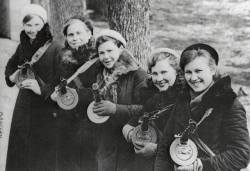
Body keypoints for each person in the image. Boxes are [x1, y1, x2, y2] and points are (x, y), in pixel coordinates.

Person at [154, 43, 250, 171]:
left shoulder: (229, 104)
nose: (193, 78)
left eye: (198, 71)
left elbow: (241, 155)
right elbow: (164, 148)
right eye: (188, 72)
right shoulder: (182, 100)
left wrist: (201, 166)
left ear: (212, 70)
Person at [4, 4, 62, 171]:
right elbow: (10, 66)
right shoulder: (22, 45)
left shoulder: (55, 48)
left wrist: (41, 89)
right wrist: (12, 76)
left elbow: (62, 81)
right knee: (20, 149)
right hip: (23, 106)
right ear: (23, 25)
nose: (32, 29)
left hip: (45, 107)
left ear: (44, 24)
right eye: (28, 25)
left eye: (37, 24)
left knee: (41, 154)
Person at [50, 15, 100, 171]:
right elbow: (52, 83)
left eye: (79, 33)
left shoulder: (99, 57)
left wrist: (74, 94)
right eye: (71, 35)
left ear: (90, 34)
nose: (75, 38)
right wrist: (51, 93)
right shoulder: (62, 57)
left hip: (90, 122)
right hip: (65, 122)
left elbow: (105, 89)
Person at [92, 29, 147, 171]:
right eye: (101, 53)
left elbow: (147, 108)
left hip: (129, 137)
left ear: (121, 48)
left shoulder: (137, 74)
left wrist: (116, 109)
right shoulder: (100, 73)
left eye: (110, 50)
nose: (106, 57)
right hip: (106, 139)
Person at [122, 48, 185, 171]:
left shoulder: (184, 99)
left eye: (164, 72)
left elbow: (186, 142)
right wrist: (133, 136)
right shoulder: (152, 97)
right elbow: (130, 124)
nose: (159, 79)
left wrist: (156, 149)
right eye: (155, 73)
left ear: (177, 72)